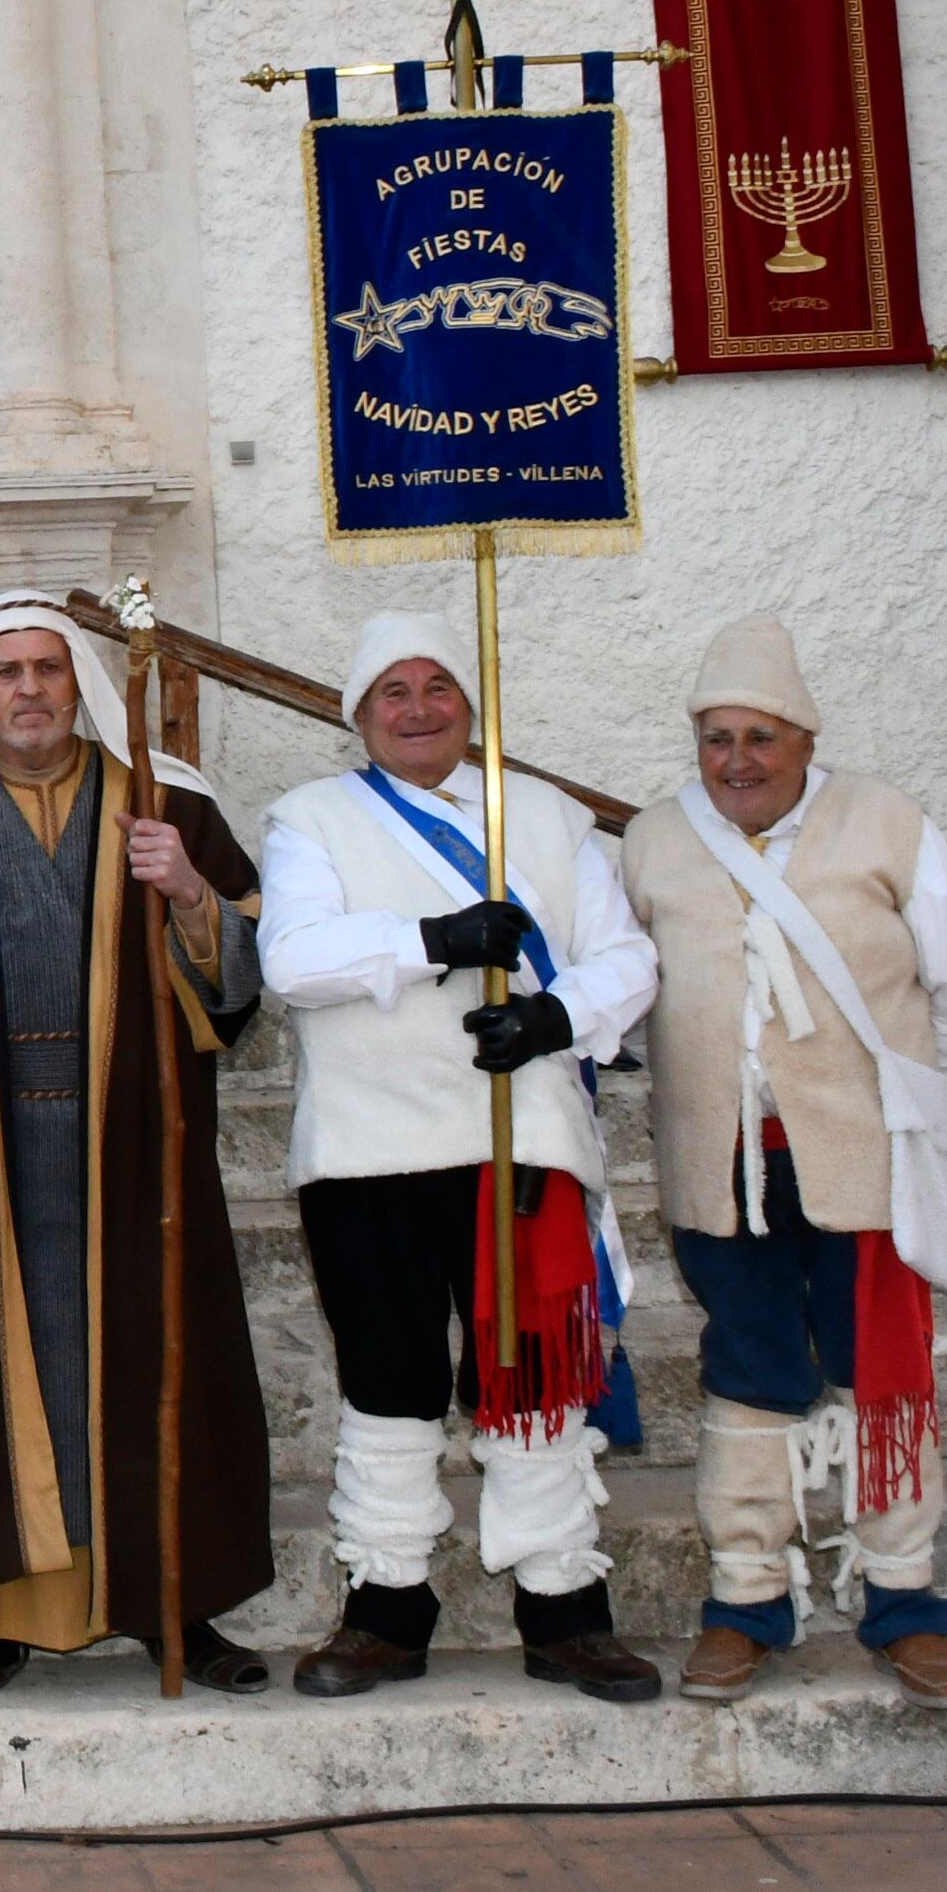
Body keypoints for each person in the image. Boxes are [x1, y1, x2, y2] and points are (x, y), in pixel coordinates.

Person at [0, 598, 275, 1697]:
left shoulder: (164, 802)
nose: (27, 689)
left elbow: (238, 985)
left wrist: (185, 888)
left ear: (76, 680)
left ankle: (174, 1599)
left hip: (134, 1141)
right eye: (5, 673)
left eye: (45, 668)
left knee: (154, 1357)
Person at [262, 610, 666, 1703]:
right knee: (388, 1380)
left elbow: (624, 954)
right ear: (356, 713)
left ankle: (562, 1606)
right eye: (390, 690)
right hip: (365, 1147)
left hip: (517, 1136)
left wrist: (552, 1016)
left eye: (436, 685)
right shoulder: (310, 817)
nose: (416, 707)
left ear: (468, 704)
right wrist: (431, 940)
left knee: (528, 1378)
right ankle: (386, 1604)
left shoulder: (540, 812)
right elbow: (292, 959)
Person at [618, 616, 947, 1713]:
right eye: (713, 738)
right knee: (748, 1365)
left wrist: (902, 1099)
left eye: (757, 736)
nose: (735, 759)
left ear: (800, 737)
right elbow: (634, 994)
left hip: (863, 1165)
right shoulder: (652, 839)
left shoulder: (882, 820)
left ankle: (903, 1602)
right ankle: (743, 1605)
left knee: (881, 1368)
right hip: (717, 1162)